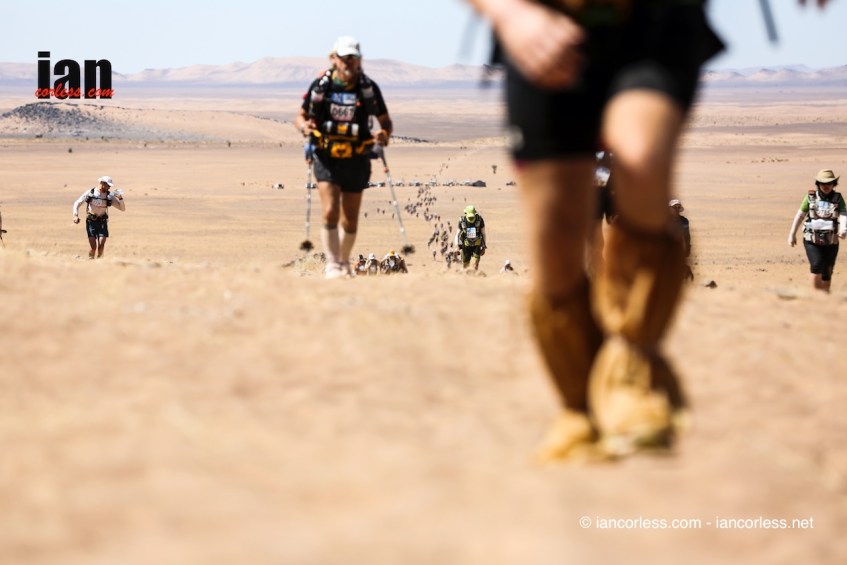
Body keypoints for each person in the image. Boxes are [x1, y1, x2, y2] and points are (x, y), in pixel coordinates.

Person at [467, 0, 832, 461]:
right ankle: (578, 406)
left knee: (640, 158)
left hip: (654, 21)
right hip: (542, 27)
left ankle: (634, 371)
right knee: (556, 238)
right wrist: (509, 13)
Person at [295, 36, 393, 280]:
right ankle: (333, 264)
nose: (348, 62)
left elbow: (385, 121)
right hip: (326, 156)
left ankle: (343, 261)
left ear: (359, 60)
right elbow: (300, 116)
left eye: (353, 58)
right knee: (330, 210)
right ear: (333, 58)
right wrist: (304, 127)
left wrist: (384, 134)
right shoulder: (321, 86)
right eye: (343, 57)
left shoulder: (368, 89)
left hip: (357, 158)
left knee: (349, 220)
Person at [788, 169, 846, 292]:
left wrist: (843, 228)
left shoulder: (838, 198)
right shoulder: (810, 197)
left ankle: (825, 296)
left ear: (834, 184)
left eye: (829, 183)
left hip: (831, 241)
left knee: (827, 270)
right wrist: (792, 234)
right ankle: (815, 296)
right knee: (817, 265)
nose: (826, 186)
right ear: (818, 184)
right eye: (822, 183)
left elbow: (843, 214)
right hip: (812, 240)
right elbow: (800, 215)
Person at [72, 175, 125, 259]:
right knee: (93, 247)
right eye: (108, 185)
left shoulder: (109, 196)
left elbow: (122, 209)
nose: (109, 187)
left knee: (101, 245)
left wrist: (121, 199)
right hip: (91, 222)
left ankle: (100, 262)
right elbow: (77, 203)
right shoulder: (91, 193)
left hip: (102, 222)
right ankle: (90, 261)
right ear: (102, 183)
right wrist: (75, 215)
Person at [454, 205, 487, 270]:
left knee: (475, 264)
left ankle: (474, 275)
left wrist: (484, 247)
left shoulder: (480, 220)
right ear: (465, 213)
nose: (471, 218)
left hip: (476, 245)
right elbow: (457, 234)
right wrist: (457, 246)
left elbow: (483, 234)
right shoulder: (462, 220)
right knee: (465, 265)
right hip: (465, 246)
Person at [669, 199, 694, 281]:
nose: (676, 209)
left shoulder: (684, 221)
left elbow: (687, 236)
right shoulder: (665, 221)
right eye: (674, 207)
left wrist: (688, 247)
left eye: (678, 207)